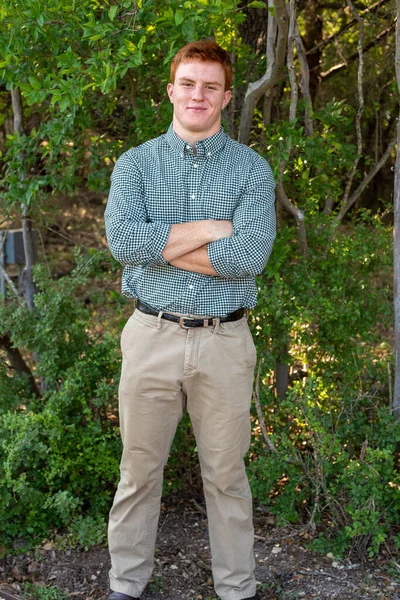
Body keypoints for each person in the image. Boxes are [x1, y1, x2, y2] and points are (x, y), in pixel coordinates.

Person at [104, 40, 276, 600]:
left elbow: (250, 258)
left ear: (226, 96)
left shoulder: (252, 170)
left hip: (224, 339)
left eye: (210, 86)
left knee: (227, 477)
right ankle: (126, 585)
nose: (197, 94)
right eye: (188, 83)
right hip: (151, 334)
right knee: (138, 472)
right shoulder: (135, 164)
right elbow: (124, 243)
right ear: (171, 90)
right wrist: (213, 228)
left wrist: (162, 245)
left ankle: (236, 588)